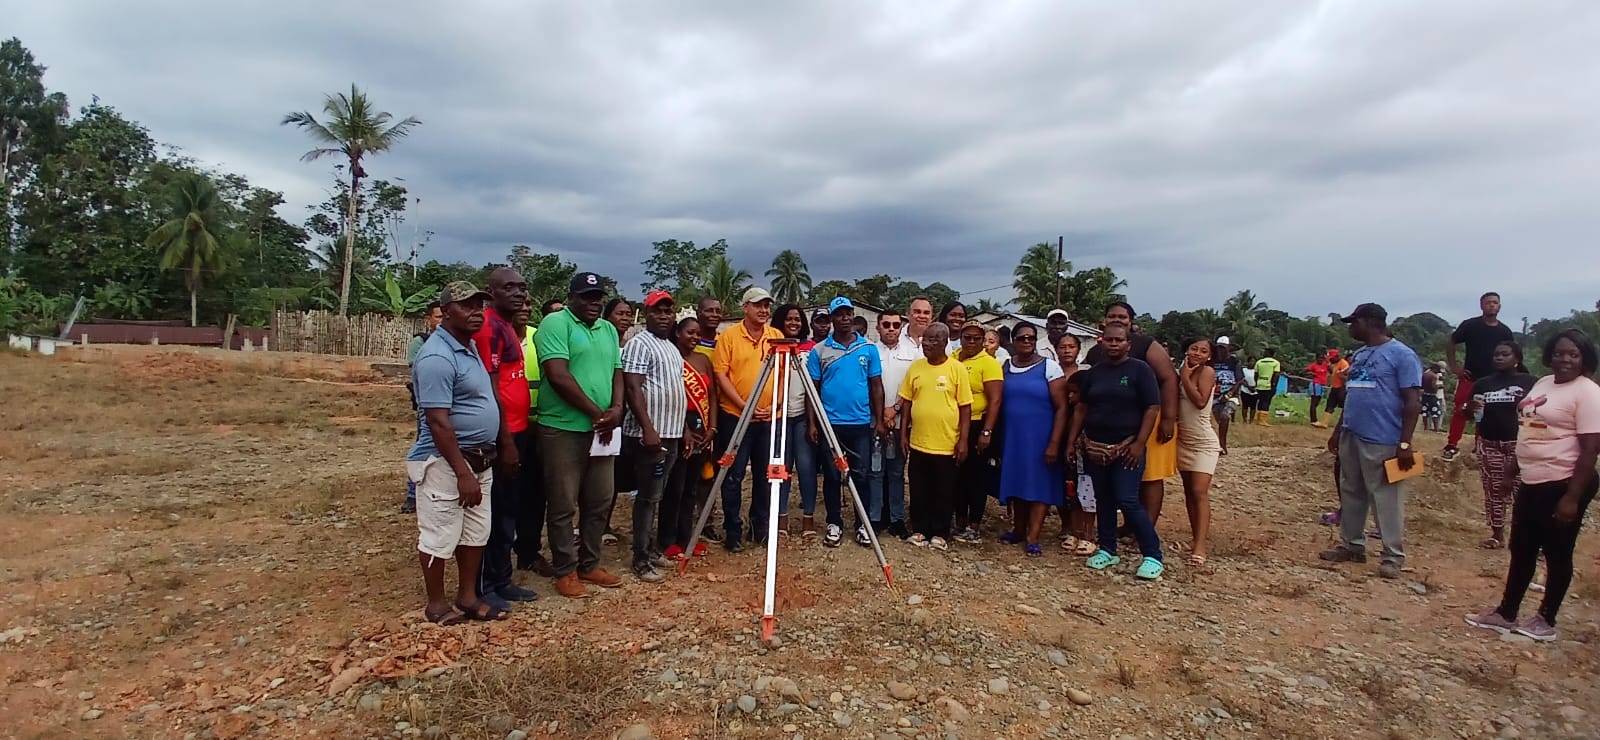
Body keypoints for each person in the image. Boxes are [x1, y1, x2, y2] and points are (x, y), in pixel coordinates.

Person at [1466, 329, 1600, 641]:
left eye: (1573, 354)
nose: (1565, 359)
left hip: (1563, 481)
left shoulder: (1588, 393)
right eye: (1559, 353)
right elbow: (1528, 429)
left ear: (1584, 358)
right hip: (1532, 478)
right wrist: (1512, 470)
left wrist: (1572, 497)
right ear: (1549, 355)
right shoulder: (1543, 384)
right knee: (1521, 548)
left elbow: (1591, 450)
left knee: (1557, 552)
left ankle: (1546, 620)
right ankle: (1506, 612)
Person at [409, 282, 511, 624]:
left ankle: (467, 597)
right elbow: (438, 422)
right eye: (467, 306)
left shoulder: (469, 347)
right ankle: (436, 604)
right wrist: (463, 472)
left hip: (480, 458)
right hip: (446, 462)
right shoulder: (437, 356)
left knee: (475, 532)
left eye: (479, 305)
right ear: (447, 311)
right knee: (440, 533)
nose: (476, 312)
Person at [534, 272, 626, 597]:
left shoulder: (608, 329)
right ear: (571, 297)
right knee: (563, 503)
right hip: (563, 428)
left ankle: (590, 563)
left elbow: (617, 371)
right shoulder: (555, 324)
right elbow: (558, 375)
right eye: (587, 297)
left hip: (602, 429)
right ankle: (565, 569)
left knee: (599, 499)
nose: (594, 303)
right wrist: (596, 412)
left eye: (598, 297)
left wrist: (617, 408)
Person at [1319, 303, 1422, 579]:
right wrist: (1339, 429)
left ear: (1369, 322)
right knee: (1351, 490)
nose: (1351, 328)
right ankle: (1352, 545)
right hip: (1353, 433)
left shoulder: (1402, 355)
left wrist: (1404, 443)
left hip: (1383, 437)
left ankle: (1392, 556)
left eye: (1354, 323)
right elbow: (1353, 394)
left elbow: (1413, 401)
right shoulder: (1361, 355)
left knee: (1386, 497)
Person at [1066, 324, 1163, 580]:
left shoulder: (1140, 370)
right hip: (1095, 447)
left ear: (1128, 344)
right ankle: (1108, 549)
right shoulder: (1095, 372)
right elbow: (1082, 408)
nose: (1113, 344)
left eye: (1119, 340)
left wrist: (1139, 443)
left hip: (1127, 447)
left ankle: (1152, 554)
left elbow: (1152, 408)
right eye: (1108, 340)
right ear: (1102, 342)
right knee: (1103, 499)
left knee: (1127, 498)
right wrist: (1071, 441)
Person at [471, 268, 539, 609]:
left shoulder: (507, 327)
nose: (518, 293)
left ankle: (502, 579)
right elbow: (491, 388)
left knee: (509, 508)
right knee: (495, 511)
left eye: (521, 287)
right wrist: (507, 442)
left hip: (518, 429)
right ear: (492, 292)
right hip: (503, 434)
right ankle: (485, 585)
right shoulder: (489, 328)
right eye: (508, 287)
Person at [1083, 302, 1179, 526]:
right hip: (1114, 426)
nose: (1117, 320)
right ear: (1104, 320)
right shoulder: (1097, 351)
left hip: (1150, 418)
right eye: (1112, 316)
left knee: (1150, 475)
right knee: (1123, 476)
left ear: (1131, 321)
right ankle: (1129, 526)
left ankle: (1147, 527)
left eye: (1122, 317)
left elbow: (1169, 378)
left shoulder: (1147, 345)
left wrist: (1168, 418)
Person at [620, 290, 688, 584]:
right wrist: (648, 428)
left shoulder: (671, 347)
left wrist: (684, 429)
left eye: (668, 311)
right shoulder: (639, 344)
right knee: (647, 497)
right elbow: (633, 388)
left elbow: (677, 390)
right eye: (657, 311)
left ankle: (650, 548)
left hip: (671, 432)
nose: (663, 316)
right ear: (646, 314)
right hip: (650, 436)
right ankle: (640, 557)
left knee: (657, 495)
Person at [807, 297, 885, 547]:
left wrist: (879, 421)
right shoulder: (819, 351)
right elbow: (812, 390)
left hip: (860, 423)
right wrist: (812, 424)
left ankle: (862, 524)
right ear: (832, 318)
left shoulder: (868, 348)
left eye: (848, 313)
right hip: (830, 424)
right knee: (832, 476)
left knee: (862, 475)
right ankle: (834, 523)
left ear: (852, 315)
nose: (844, 318)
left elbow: (876, 386)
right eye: (839, 314)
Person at [712, 287, 783, 551]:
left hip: (768, 418)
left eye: (766, 306)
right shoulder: (728, 337)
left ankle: (759, 527)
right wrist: (745, 407)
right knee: (733, 476)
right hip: (736, 417)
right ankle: (732, 529)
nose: (763, 310)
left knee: (765, 475)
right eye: (758, 305)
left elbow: (784, 374)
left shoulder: (776, 336)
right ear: (745, 307)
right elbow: (721, 375)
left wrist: (776, 403)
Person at [995, 322, 1068, 557]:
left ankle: (1033, 536)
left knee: (1039, 484)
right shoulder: (1006, 366)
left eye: (1031, 338)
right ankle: (1018, 529)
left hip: (1041, 438)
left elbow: (1062, 407)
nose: (1026, 341)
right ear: (1013, 341)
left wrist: (1054, 443)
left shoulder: (1050, 367)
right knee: (1018, 482)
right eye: (1022, 338)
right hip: (1014, 437)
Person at [897, 322, 970, 550]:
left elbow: (965, 407)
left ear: (945, 342)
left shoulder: (957, 369)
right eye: (925, 339)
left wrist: (963, 441)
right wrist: (903, 434)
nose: (926, 344)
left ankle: (940, 533)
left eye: (933, 340)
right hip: (919, 442)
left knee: (943, 491)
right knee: (919, 489)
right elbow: (907, 403)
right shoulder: (916, 368)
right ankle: (919, 530)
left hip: (946, 444)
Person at [1467, 341, 1536, 549]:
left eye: (1505, 354)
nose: (1499, 357)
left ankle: (1530, 538)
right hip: (1490, 443)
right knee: (1494, 489)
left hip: (1520, 444)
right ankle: (1497, 534)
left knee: (1523, 491)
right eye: (1496, 354)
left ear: (1517, 359)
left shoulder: (1530, 383)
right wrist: (1469, 409)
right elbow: (1471, 415)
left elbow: (1538, 414)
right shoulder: (1482, 384)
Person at [659, 317, 717, 560]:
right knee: (675, 486)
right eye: (690, 333)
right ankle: (667, 540)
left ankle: (687, 537)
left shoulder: (703, 360)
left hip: (701, 427)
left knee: (692, 487)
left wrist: (712, 427)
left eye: (697, 334)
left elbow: (712, 395)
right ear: (678, 333)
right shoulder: (671, 358)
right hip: (678, 428)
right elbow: (669, 395)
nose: (694, 337)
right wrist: (683, 430)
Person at [1444, 292, 1515, 462]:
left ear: (1499, 306)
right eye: (1488, 302)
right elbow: (1451, 342)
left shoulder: (1505, 331)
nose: (1492, 305)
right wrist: (1455, 367)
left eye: (1495, 302)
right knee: (1461, 409)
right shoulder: (1470, 325)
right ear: (1481, 305)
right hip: (1470, 376)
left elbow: (1511, 354)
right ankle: (1452, 445)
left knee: (1485, 413)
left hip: (1493, 380)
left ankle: (1479, 446)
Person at [951, 322, 1004, 544]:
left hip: (977, 424)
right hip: (954, 424)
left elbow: (995, 400)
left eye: (977, 338)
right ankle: (959, 521)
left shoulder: (989, 363)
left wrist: (987, 431)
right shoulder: (953, 357)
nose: (971, 342)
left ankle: (974, 525)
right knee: (957, 475)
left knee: (976, 476)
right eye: (967, 337)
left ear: (983, 341)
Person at [772, 303, 819, 540]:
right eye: (789, 319)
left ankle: (808, 516)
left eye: (797, 319)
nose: (793, 323)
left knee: (806, 467)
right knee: (782, 468)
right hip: (778, 417)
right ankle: (782, 516)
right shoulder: (772, 348)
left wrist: (812, 422)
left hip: (802, 416)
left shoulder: (811, 349)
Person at [872, 309, 920, 538]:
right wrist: (881, 415)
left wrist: (896, 409)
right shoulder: (869, 351)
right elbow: (868, 385)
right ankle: (875, 517)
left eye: (895, 325)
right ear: (878, 327)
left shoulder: (913, 353)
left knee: (897, 472)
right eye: (886, 324)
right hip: (875, 421)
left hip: (902, 422)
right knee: (875, 471)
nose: (891, 329)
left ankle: (897, 518)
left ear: (901, 328)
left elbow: (914, 385)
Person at [513, 299, 553, 577]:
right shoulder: (494, 338)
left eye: (529, 303)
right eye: (520, 304)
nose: (525, 308)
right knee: (505, 494)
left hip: (539, 428)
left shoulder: (538, 337)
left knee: (536, 494)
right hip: (506, 429)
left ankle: (528, 552)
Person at [1176, 338, 1221, 567]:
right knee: (1189, 493)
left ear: (1209, 356)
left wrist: (1185, 376)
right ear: (1187, 349)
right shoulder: (1179, 370)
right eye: (1194, 348)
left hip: (1203, 442)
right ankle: (1195, 539)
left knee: (1199, 492)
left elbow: (1200, 401)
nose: (1197, 353)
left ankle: (1200, 546)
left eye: (1203, 351)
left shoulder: (1207, 373)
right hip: (1183, 440)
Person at [403, 301, 445, 513]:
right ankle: (413, 494)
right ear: (428, 320)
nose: (442, 320)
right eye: (438, 317)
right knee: (425, 445)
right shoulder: (421, 343)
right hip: (428, 405)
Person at [1056, 335, 1095, 555]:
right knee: (1070, 491)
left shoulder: (1090, 414)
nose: (1067, 350)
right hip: (1069, 451)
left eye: (1071, 346)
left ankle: (1087, 534)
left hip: (1088, 457)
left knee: (1088, 496)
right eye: (1063, 346)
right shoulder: (1052, 372)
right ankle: (1072, 529)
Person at [1208, 336, 1243, 456]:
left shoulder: (1234, 362)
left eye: (1223, 348)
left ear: (1228, 348)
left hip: (1231, 395)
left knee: (1225, 416)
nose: (1220, 350)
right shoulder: (1211, 362)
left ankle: (1222, 445)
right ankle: (1218, 444)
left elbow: (1239, 380)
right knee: (1219, 421)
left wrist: (1229, 394)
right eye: (1218, 348)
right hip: (1215, 396)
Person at [1252, 349, 1283, 426]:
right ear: (1273, 355)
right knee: (1266, 401)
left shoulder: (1259, 362)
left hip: (1260, 384)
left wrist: (1257, 383)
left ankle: (1258, 419)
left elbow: (1255, 374)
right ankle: (1263, 421)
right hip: (1268, 385)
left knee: (1260, 401)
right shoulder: (1275, 363)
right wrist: (1274, 384)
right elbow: (1276, 375)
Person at [1324, 349, 1350, 427]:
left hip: (1341, 388)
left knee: (1344, 406)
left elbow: (1347, 376)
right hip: (1335, 387)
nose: (1331, 360)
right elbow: (1333, 373)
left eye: (1332, 358)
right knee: (1330, 404)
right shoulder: (1336, 364)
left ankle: (1345, 423)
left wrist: (1343, 387)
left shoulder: (1344, 364)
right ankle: (1324, 422)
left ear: (1337, 356)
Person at [1306, 353, 1331, 428]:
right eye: (1319, 358)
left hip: (1322, 385)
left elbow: (1331, 371)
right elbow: (1305, 371)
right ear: (1316, 359)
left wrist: (1328, 362)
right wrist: (1312, 374)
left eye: (1322, 358)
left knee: (1317, 402)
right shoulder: (1313, 365)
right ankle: (1313, 420)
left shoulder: (1325, 365)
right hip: (1315, 384)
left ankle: (1314, 420)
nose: (1320, 360)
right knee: (1314, 402)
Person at [1421, 362, 1445, 432]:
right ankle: (1436, 428)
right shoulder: (1433, 376)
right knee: (1435, 412)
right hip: (1432, 396)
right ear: (1435, 369)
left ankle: (1425, 427)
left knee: (1425, 412)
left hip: (1425, 395)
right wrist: (1439, 386)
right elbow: (1433, 386)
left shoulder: (1425, 374)